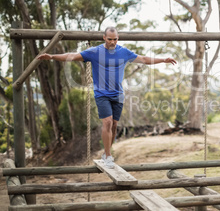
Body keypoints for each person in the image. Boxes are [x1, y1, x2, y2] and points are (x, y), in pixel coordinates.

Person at [38, 27, 177, 168]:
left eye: (115, 39)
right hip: (101, 94)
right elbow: (72, 56)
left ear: (118, 38)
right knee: (108, 123)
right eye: (110, 39)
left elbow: (144, 59)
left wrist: (163, 59)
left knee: (115, 125)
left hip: (118, 95)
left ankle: (106, 153)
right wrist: (52, 57)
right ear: (104, 38)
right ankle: (108, 155)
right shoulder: (95, 52)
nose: (112, 42)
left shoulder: (123, 52)